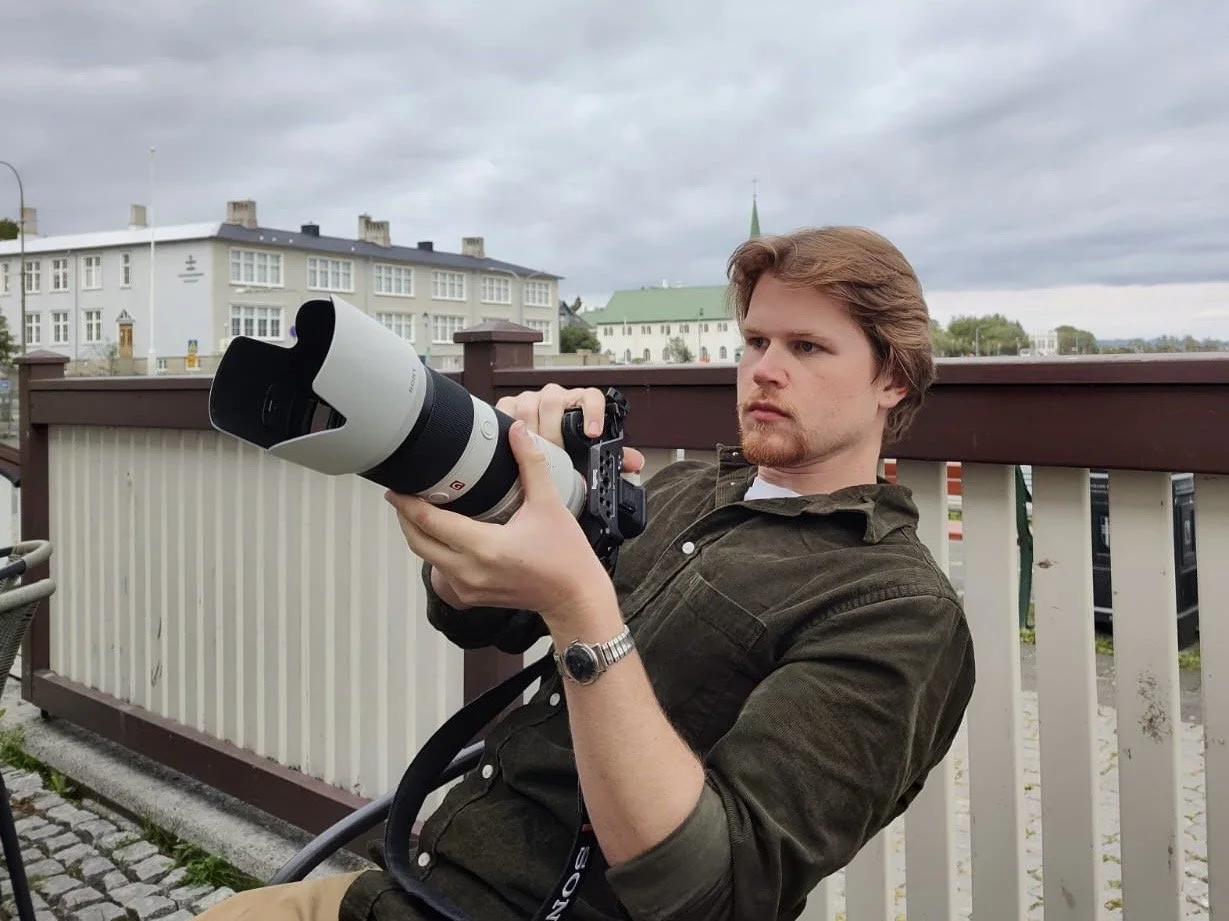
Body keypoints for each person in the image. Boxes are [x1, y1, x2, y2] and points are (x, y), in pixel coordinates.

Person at [199, 226, 975, 921]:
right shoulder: (676, 494)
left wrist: (580, 608)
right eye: (754, 342)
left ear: (892, 377)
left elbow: (713, 890)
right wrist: (501, 496)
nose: (764, 371)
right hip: (408, 885)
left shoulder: (896, 610)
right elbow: (474, 616)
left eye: (806, 347)